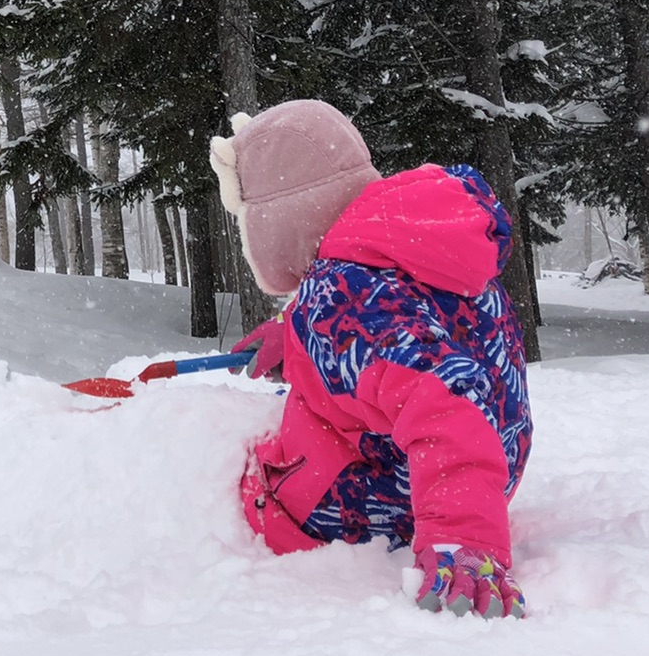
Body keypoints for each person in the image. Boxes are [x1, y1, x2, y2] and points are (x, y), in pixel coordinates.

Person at [209, 100, 533, 619]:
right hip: (484, 467)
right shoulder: (410, 238)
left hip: (413, 493)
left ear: (278, 218)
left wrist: (463, 540)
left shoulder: (338, 297)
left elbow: (442, 395)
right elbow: (397, 332)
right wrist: (294, 340)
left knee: (240, 482)